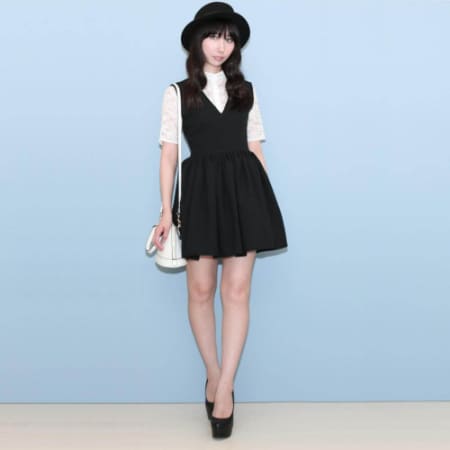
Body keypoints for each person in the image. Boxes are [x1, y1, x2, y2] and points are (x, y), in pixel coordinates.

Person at [152, 2, 287, 439]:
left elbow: (255, 148)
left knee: (237, 291)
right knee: (200, 290)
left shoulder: (246, 90)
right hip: (200, 194)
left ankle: (225, 388)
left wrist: (264, 204)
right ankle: (213, 374)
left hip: (245, 192)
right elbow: (169, 156)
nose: (220, 45)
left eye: (229, 38)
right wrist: (165, 212)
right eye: (213, 36)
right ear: (197, 40)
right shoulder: (177, 93)